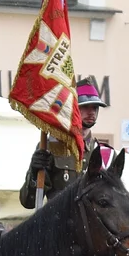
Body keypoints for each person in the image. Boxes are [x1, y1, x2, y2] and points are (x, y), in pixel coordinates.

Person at [19, 77, 105, 209]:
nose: (91, 112)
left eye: (95, 107)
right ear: (72, 109)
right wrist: (34, 172)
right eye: (85, 107)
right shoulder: (51, 147)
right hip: (59, 224)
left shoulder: (104, 153)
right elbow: (29, 202)